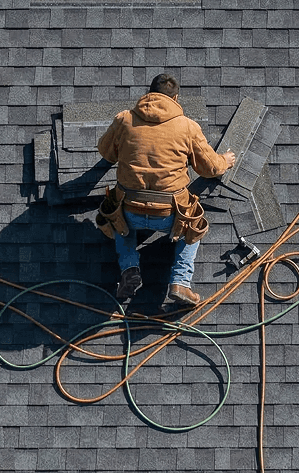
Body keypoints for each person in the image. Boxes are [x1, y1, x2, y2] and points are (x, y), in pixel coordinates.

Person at [95, 73, 236, 310]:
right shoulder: (187, 127)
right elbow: (210, 168)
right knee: (194, 226)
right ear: (176, 98)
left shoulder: (124, 119)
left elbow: (106, 152)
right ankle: (180, 283)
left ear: (149, 93)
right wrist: (225, 160)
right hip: (171, 216)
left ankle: (129, 268)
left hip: (130, 211)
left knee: (117, 221)